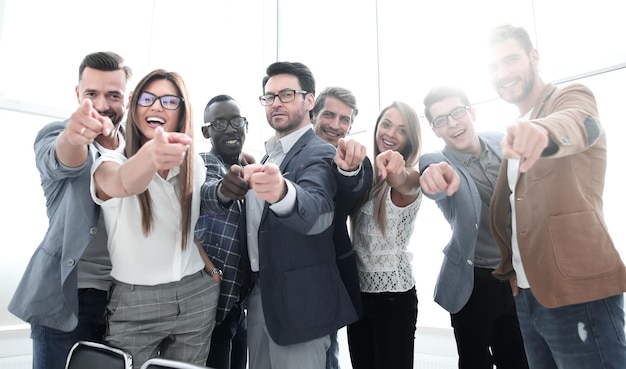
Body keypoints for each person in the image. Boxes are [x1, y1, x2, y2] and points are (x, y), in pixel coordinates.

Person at [487, 23, 626, 368]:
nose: (502, 73)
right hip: (529, 297)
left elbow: (581, 122)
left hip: (578, 293)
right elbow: (515, 212)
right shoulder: (513, 137)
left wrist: (541, 131)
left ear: (534, 57)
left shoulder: (569, 98)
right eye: (493, 67)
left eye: (510, 60)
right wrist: (513, 269)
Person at [8, 51, 131, 369]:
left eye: (113, 95)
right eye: (92, 93)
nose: (103, 104)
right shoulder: (57, 134)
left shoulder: (137, 151)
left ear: (126, 98)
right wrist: (74, 137)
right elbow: (63, 159)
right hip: (67, 298)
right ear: (79, 95)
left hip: (124, 302)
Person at [91, 69, 220, 367]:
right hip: (136, 303)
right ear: (134, 108)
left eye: (168, 101)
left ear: (182, 112)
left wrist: (212, 275)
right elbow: (122, 182)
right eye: (147, 98)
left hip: (195, 295)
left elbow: (183, 229)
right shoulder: (110, 162)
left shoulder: (195, 166)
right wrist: (151, 156)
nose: (157, 106)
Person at [238, 61, 357, 369]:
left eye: (287, 94)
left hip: (302, 304)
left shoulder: (320, 152)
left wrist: (282, 192)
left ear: (308, 101)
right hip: (261, 296)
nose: (276, 102)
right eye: (270, 96)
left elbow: (317, 211)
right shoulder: (268, 155)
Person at [419, 85, 528, 368]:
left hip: (515, 277)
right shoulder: (436, 161)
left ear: (472, 113)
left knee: (518, 358)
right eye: (441, 120)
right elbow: (433, 179)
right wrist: (434, 177)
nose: (452, 123)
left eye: (457, 113)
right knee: (474, 361)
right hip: (473, 281)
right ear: (435, 130)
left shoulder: (501, 142)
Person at [347, 101, 422, 369]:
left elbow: (404, 181)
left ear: (410, 140)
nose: (391, 133)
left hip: (393, 299)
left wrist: (397, 172)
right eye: (386, 124)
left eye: (402, 130)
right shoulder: (366, 177)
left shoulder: (410, 175)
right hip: (359, 294)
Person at [311, 86, 373, 369]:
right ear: (313, 114)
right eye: (329, 115)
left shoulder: (356, 161)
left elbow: (353, 192)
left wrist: (348, 169)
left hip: (331, 272)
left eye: (344, 119)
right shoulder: (284, 152)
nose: (336, 125)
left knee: (326, 352)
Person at [196, 94, 252, 369]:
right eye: (219, 124)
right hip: (213, 301)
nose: (230, 129)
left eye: (236, 121)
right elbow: (209, 192)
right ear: (206, 131)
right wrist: (223, 190)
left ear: (246, 126)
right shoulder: (202, 163)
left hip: (240, 303)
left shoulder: (251, 168)